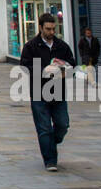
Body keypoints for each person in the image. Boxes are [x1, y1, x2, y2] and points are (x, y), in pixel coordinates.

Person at [20, 12, 76, 172]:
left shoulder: (62, 46)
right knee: (44, 128)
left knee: (63, 124)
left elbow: (72, 64)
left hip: (58, 91)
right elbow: (25, 67)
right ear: (40, 28)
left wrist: (65, 70)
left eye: (53, 29)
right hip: (39, 92)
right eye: (48, 29)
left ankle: (53, 141)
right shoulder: (31, 46)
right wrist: (44, 70)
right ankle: (50, 161)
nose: (51, 32)